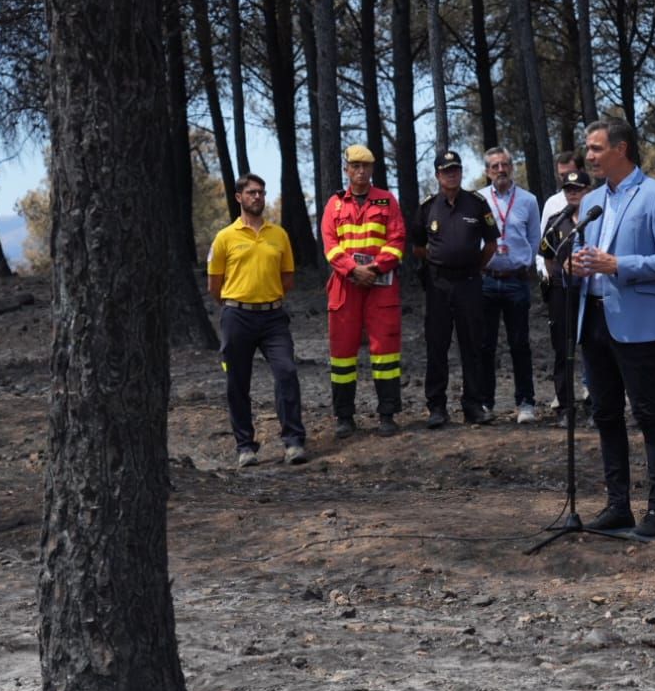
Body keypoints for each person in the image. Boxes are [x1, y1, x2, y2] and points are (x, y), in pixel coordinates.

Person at [570, 117, 655, 541]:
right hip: (594, 316)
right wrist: (576, 264)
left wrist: (620, 265)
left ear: (621, 150)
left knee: (648, 415)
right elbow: (587, 254)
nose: (590, 155)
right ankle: (618, 506)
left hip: (638, 322)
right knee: (604, 414)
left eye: (597, 148)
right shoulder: (592, 200)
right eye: (588, 148)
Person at [206, 173, 307, 467]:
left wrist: (268, 295)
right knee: (237, 381)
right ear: (239, 197)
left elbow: (287, 278)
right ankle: (245, 447)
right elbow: (214, 285)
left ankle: (293, 442)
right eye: (251, 193)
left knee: (287, 372)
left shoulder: (279, 235)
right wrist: (236, 302)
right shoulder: (225, 237)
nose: (258, 197)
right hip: (237, 316)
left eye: (261, 193)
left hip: (273, 317)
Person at [321, 144, 406, 439]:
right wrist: (352, 270)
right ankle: (344, 417)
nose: (360, 171)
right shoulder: (333, 205)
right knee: (342, 353)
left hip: (380, 286)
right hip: (345, 287)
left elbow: (397, 240)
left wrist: (376, 268)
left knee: (385, 351)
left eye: (365, 166)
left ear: (372, 169)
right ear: (346, 169)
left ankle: (387, 414)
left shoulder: (387, 200)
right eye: (355, 166)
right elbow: (330, 245)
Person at [414, 150, 500, 428]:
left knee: (472, 344)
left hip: (469, 283)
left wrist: (475, 266)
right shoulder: (428, 207)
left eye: (456, 170)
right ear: (438, 175)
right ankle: (437, 407)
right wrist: (440, 263)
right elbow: (417, 247)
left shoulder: (477, 204)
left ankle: (473, 405)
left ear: (461, 173)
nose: (452, 174)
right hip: (438, 284)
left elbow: (490, 244)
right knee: (436, 345)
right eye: (446, 170)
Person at [479, 146, 542, 424]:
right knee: (485, 344)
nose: (501, 170)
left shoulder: (528, 200)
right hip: (487, 281)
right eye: (495, 166)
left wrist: (528, 265)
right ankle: (484, 403)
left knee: (520, 344)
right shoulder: (478, 199)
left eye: (505, 164)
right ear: (487, 171)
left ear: (512, 167)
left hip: (516, 280)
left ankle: (526, 402)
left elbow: (535, 239)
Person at [538, 152, 591, 426]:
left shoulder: (597, 217)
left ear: (588, 190)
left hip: (592, 291)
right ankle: (566, 407)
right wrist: (557, 275)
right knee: (563, 349)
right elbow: (545, 253)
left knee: (593, 348)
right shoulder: (556, 220)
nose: (572, 194)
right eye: (568, 189)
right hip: (562, 291)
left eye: (578, 189)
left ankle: (595, 405)